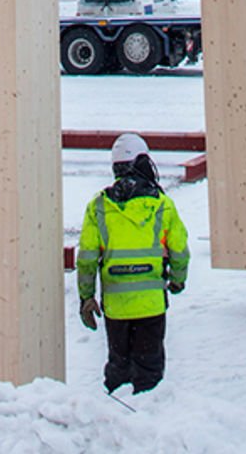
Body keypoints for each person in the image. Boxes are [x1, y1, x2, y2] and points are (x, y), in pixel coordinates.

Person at [75, 132, 189, 395]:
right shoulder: (162, 205)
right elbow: (180, 251)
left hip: (117, 308)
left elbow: (87, 259)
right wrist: (178, 279)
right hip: (151, 304)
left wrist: (86, 297)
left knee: (119, 368)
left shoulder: (99, 207)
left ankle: (116, 419)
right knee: (149, 372)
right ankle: (146, 423)